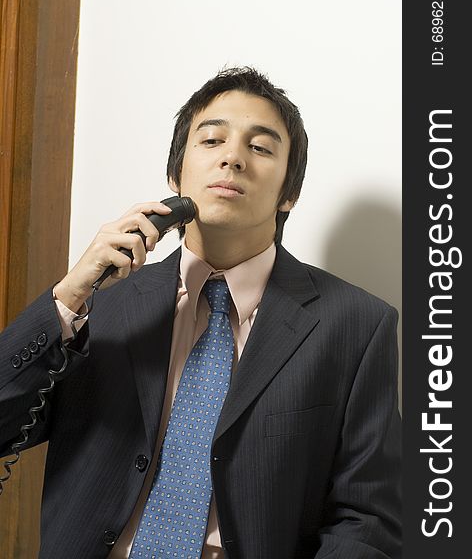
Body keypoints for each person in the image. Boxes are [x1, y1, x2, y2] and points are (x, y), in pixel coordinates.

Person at [0, 67, 401, 558]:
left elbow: (367, 518)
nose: (232, 158)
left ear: (289, 192)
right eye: (212, 140)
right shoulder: (103, 300)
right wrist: (67, 297)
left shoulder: (356, 325)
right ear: (176, 175)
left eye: (260, 147)